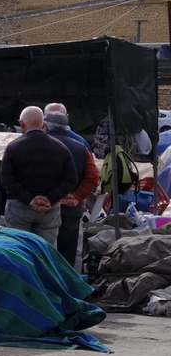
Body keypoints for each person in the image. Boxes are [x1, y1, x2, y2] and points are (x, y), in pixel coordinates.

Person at [0, 106, 80, 247]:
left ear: (21, 123)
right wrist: (50, 198)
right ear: (43, 124)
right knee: (45, 254)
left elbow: (7, 181)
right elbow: (71, 180)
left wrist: (30, 201)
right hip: (50, 210)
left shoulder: (12, 148)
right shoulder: (61, 148)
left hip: (19, 209)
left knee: (20, 253)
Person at [44, 103, 100, 267]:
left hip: (41, 208)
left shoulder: (31, 143)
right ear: (67, 120)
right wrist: (77, 196)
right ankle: (66, 288)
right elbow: (93, 177)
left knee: (42, 253)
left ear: (44, 124)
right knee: (67, 255)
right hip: (71, 210)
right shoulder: (81, 145)